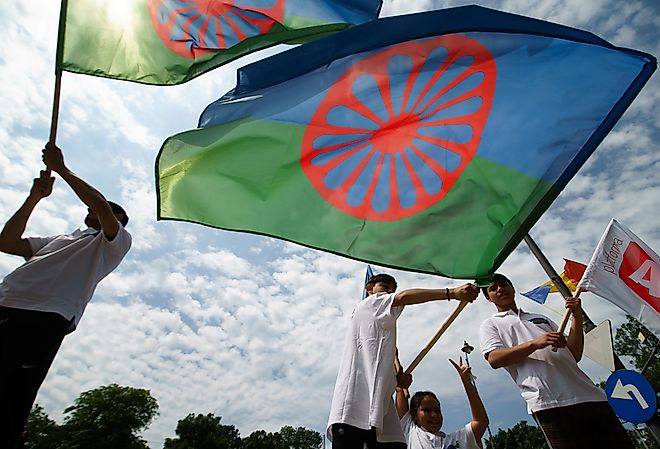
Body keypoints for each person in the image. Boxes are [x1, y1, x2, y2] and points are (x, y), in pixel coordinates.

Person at [0, 143, 132, 449]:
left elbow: (99, 205)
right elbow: (7, 242)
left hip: (45, 317)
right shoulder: (59, 239)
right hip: (5, 302)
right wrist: (34, 198)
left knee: (11, 396)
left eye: (107, 210)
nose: (93, 210)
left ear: (117, 218)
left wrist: (62, 168)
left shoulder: (113, 243)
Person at [479, 273, 633, 449]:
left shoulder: (540, 317)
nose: (500, 289)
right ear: (488, 298)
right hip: (550, 403)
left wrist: (576, 315)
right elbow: (494, 358)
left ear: (512, 287)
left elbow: (574, 353)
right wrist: (535, 343)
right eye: (493, 288)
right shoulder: (490, 325)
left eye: (503, 284)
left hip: (590, 395)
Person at [327, 273, 479, 449]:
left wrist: (397, 380)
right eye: (385, 287)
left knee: (397, 443)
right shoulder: (372, 303)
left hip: (381, 407)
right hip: (354, 405)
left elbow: (378, 364)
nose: (389, 293)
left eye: (392, 290)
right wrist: (451, 292)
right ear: (369, 289)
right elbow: (405, 297)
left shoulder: (382, 328)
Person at [395, 358, 489, 449]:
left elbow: (481, 422)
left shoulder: (456, 440)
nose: (434, 415)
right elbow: (400, 389)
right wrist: (393, 355)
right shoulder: (409, 431)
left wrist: (467, 382)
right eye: (427, 410)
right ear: (414, 415)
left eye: (437, 410)